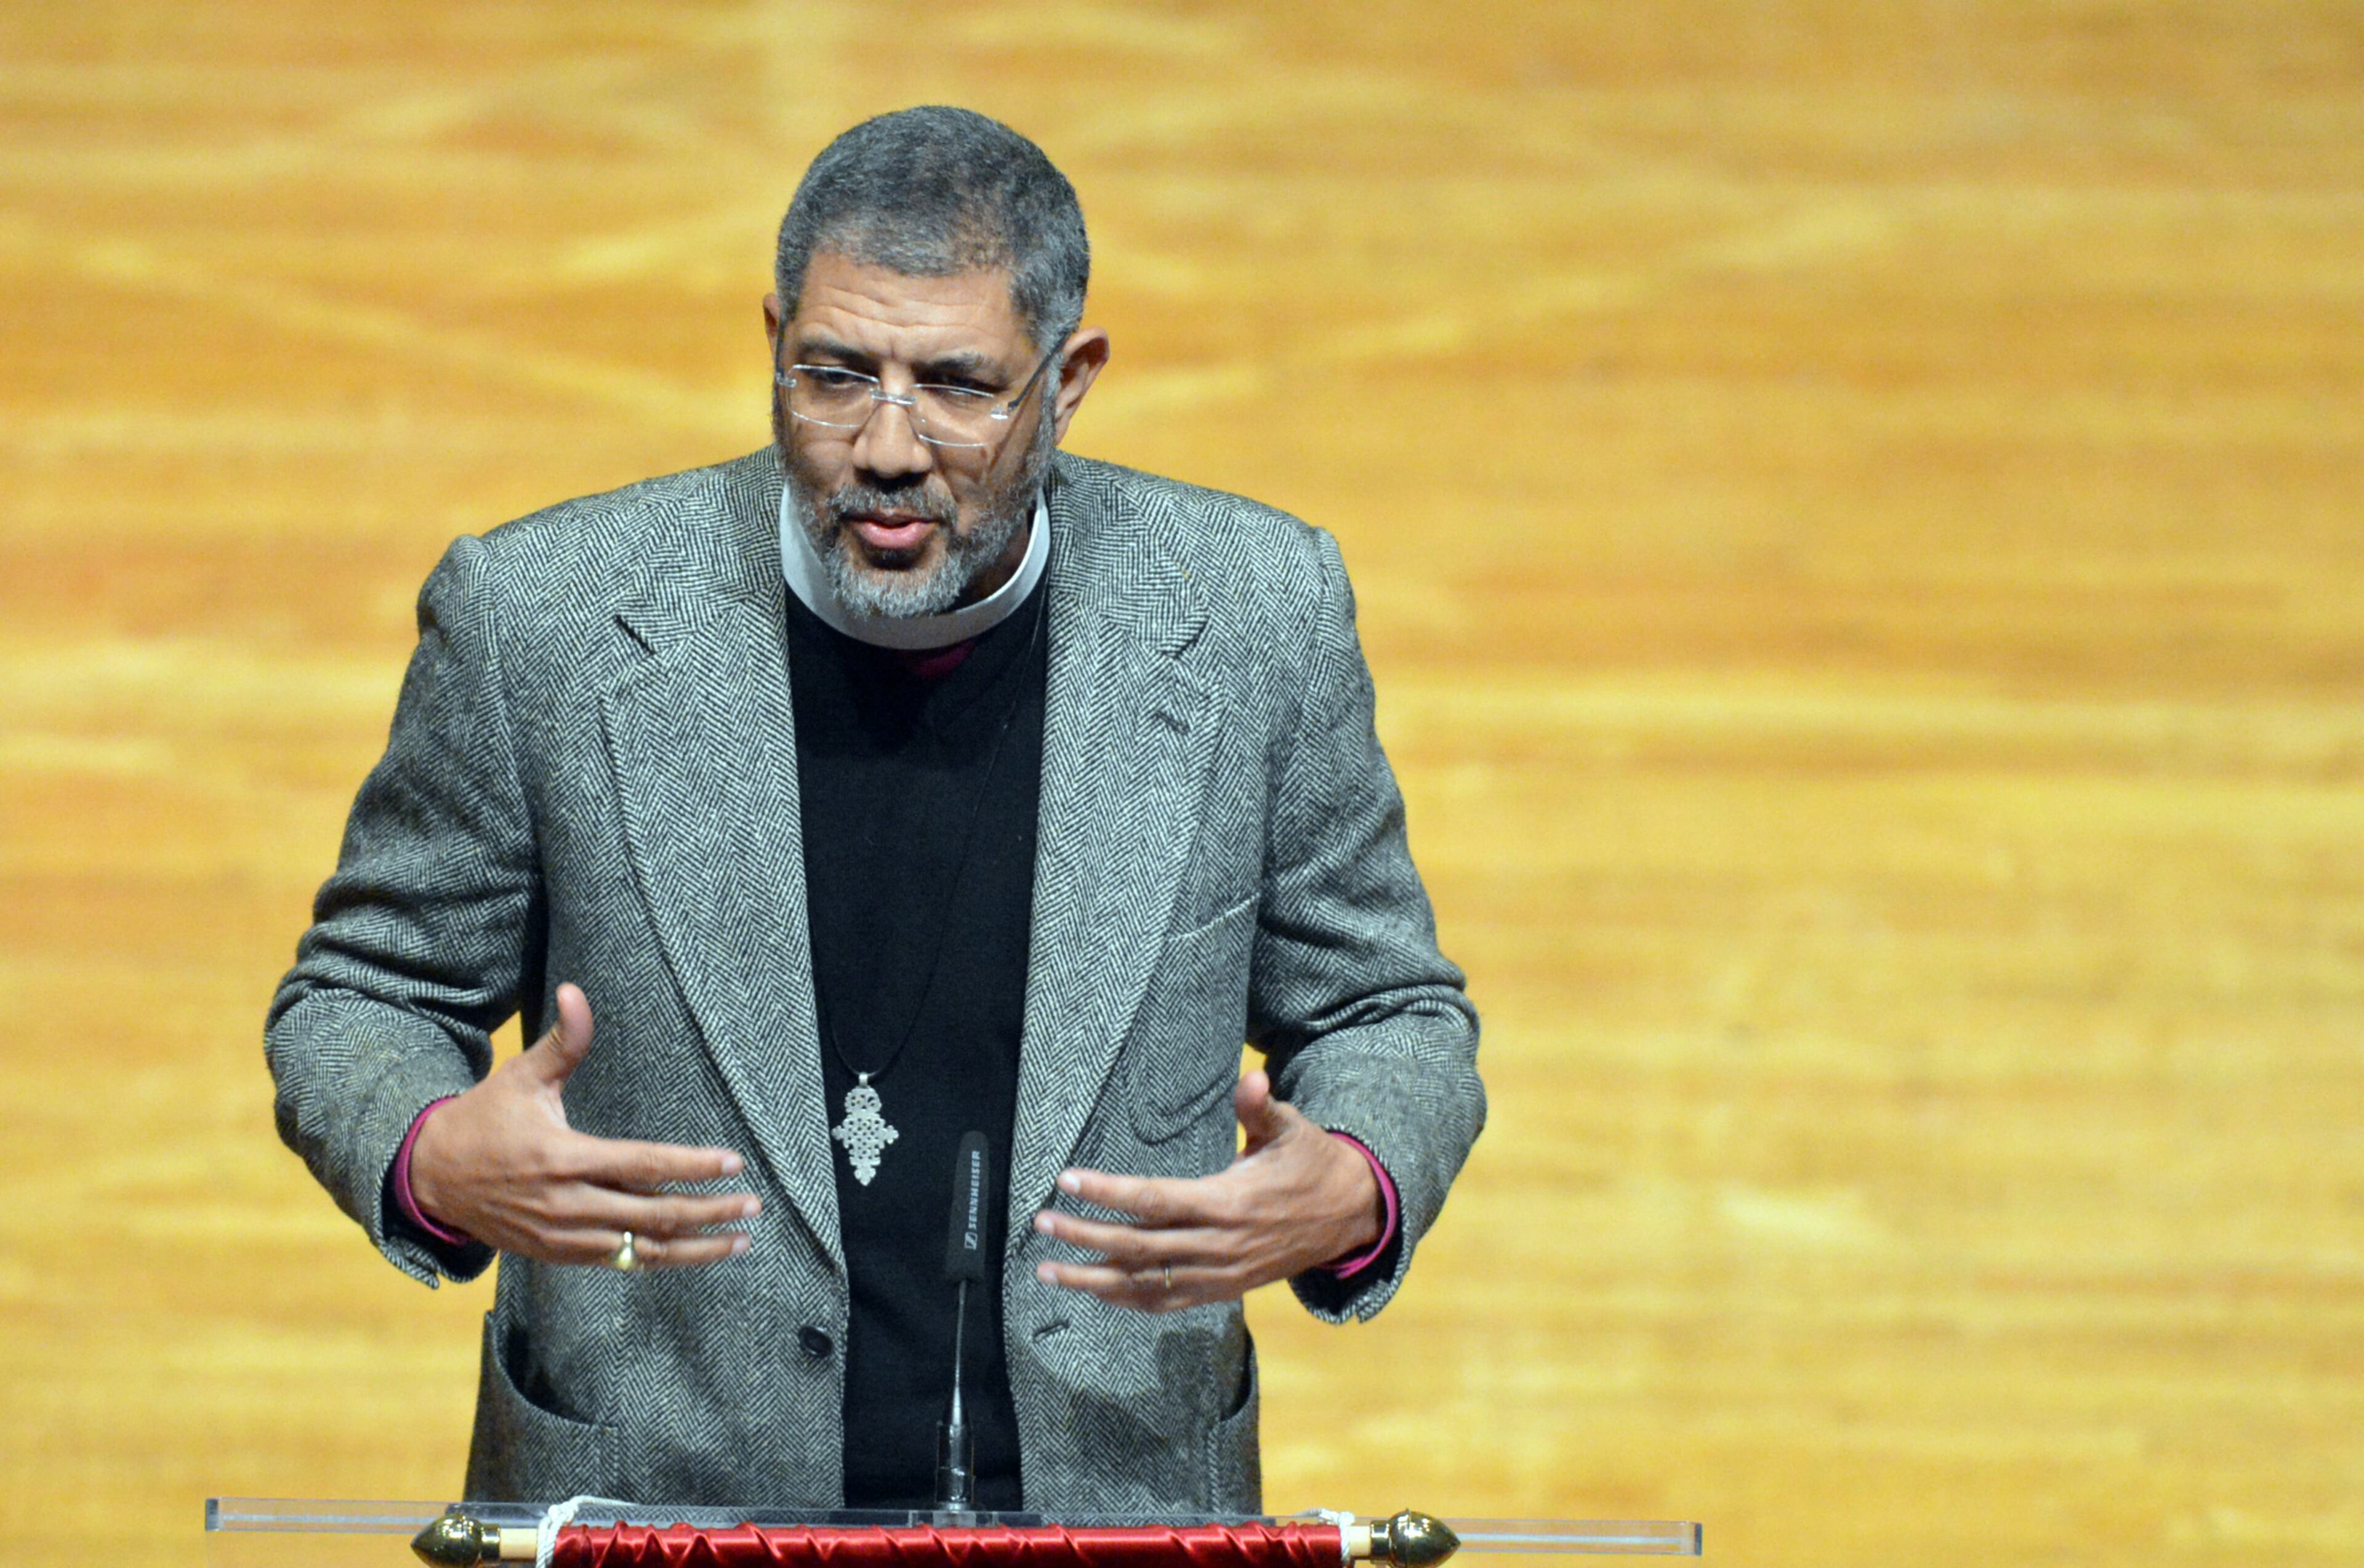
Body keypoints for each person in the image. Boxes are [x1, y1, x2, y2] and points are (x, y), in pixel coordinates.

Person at [266, 105, 1482, 1518]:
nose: (887, 445)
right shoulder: (540, 621)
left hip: (1108, 1509)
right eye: (835, 374)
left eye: (960, 386)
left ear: (1070, 379)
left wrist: (1359, 1179)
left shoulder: (1257, 614)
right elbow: (359, 991)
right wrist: (427, 1152)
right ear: (772, 338)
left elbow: (1390, 1008)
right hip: (658, 1507)